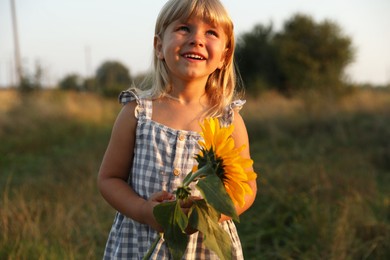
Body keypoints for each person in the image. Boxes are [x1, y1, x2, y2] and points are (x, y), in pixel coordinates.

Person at [97, 0, 257, 259]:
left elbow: (247, 185)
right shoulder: (137, 113)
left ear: (224, 56)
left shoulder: (228, 119)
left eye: (211, 32)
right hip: (141, 242)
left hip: (205, 246)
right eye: (184, 28)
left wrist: (210, 213)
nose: (197, 39)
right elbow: (109, 179)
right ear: (159, 47)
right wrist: (144, 211)